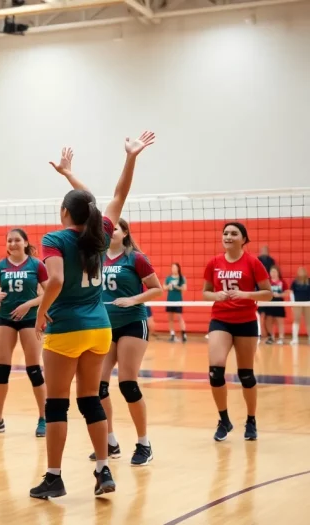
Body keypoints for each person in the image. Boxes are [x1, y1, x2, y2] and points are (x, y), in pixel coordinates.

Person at [30, 134, 154, 500]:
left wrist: (41, 311)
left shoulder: (55, 238)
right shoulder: (100, 234)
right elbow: (118, 194)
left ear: (65, 213)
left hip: (66, 327)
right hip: (100, 327)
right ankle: (103, 469)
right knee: (89, 399)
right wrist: (130, 158)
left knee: (56, 404)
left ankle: (54, 476)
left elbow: (54, 280)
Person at [93, 218, 162, 466]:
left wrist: (133, 300)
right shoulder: (97, 258)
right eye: (108, 229)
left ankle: (144, 443)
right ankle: (110, 442)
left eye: (116, 228)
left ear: (125, 233)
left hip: (133, 322)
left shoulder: (136, 258)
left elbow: (157, 288)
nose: (111, 232)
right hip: (105, 325)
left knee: (127, 384)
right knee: (97, 386)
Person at [202, 222, 272, 442]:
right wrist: (216, 296)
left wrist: (246, 295)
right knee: (215, 371)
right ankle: (224, 420)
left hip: (246, 321)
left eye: (234, 233)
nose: (228, 236)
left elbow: (268, 294)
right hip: (220, 319)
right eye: (225, 233)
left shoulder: (253, 262)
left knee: (246, 375)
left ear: (244, 239)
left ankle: (251, 420)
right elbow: (206, 292)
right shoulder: (214, 262)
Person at [0, 228, 48, 437]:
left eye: (17, 240)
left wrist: (29, 304)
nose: (12, 244)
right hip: (6, 319)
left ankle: (44, 418)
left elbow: (48, 293)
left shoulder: (37, 265)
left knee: (34, 369)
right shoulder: (0, 266)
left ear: (26, 243)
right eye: (9, 241)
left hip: (29, 319)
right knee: (2, 369)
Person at [264, 266, 287, 345]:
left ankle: (281, 338)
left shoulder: (282, 282)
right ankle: (271, 337)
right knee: (268, 320)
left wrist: (279, 295)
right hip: (269, 303)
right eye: (271, 272)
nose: (273, 273)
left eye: (274, 272)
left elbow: (287, 292)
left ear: (278, 273)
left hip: (279, 303)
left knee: (280, 321)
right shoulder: (268, 282)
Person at [165, 263, 187, 342]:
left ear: (178, 268)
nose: (173, 269)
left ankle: (184, 335)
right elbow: (164, 287)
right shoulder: (168, 278)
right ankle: (172, 335)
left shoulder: (181, 278)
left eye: (175, 267)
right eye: (172, 267)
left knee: (179, 317)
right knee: (170, 318)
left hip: (178, 301)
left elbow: (184, 288)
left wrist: (177, 286)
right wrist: (169, 286)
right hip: (170, 300)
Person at [290, 267, 310, 345]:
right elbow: (291, 293)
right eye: (300, 271)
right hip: (297, 303)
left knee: (309, 321)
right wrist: (292, 303)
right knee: (296, 320)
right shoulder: (295, 282)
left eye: (303, 271)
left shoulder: (309, 281)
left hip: (308, 303)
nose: (301, 272)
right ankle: (295, 338)